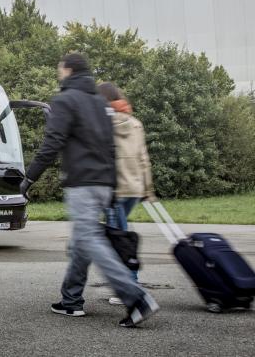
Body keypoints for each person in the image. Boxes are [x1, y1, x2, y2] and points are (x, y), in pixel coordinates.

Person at [19, 53, 159, 328]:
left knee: (90, 240)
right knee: (83, 241)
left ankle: (136, 298)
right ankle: (70, 301)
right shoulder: (99, 102)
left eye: (60, 69)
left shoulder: (64, 100)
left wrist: (29, 179)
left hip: (82, 183)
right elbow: (110, 147)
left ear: (68, 70)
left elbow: (52, 143)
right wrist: (114, 187)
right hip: (104, 182)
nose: (59, 73)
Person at [98, 81, 155, 300]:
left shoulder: (104, 123)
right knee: (120, 234)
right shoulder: (135, 123)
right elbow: (144, 158)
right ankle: (128, 284)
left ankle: (130, 287)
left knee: (119, 240)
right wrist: (148, 189)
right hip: (134, 188)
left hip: (115, 190)